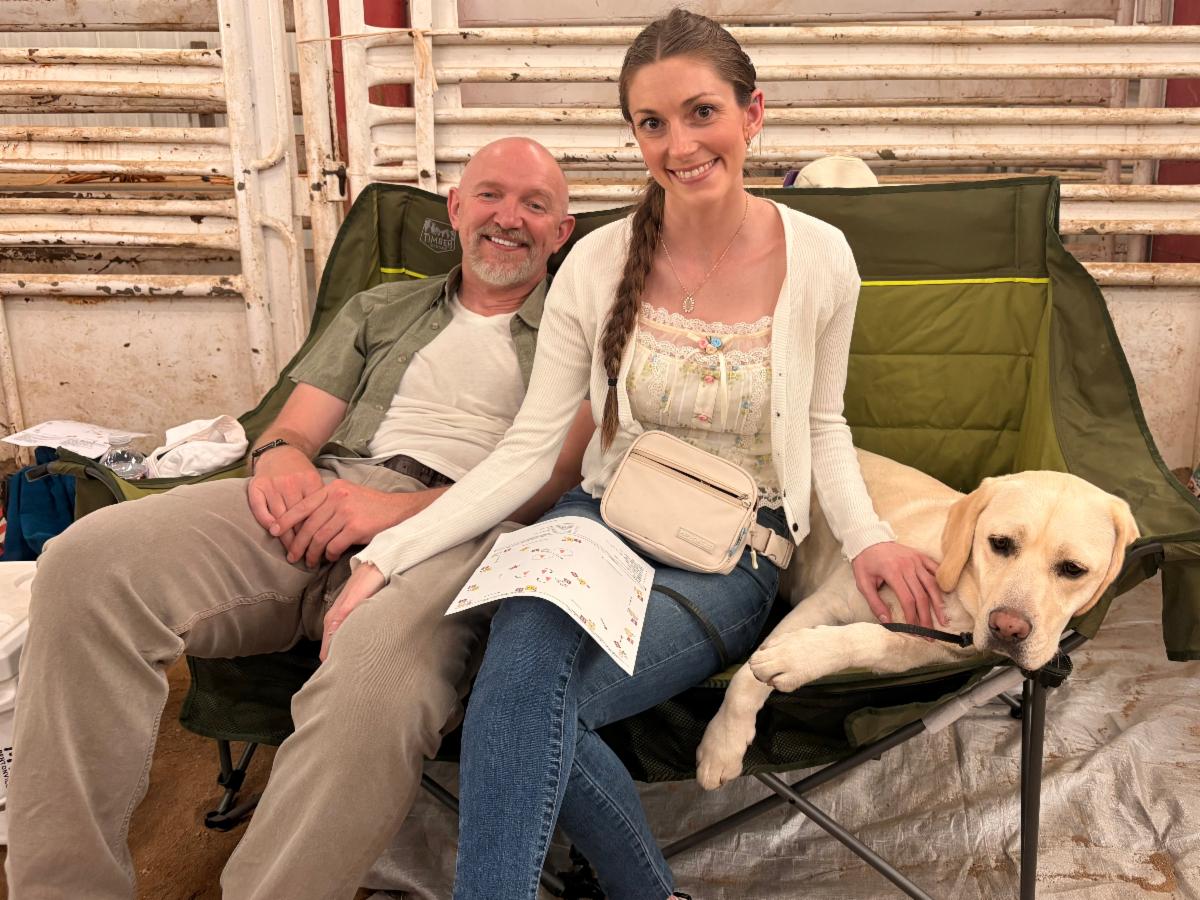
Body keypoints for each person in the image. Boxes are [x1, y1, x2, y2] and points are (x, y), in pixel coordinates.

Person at [321, 12, 946, 898]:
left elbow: (821, 424)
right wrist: (386, 555)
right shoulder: (597, 261)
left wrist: (870, 537)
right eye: (653, 123)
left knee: (528, 710)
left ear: (752, 113)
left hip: (732, 550)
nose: (679, 145)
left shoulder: (821, 259)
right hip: (598, 520)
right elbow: (529, 450)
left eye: (702, 113)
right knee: (519, 679)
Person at [5, 137, 592, 900]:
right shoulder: (379, 308)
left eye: (534, 205)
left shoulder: (581, 332)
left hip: (465, 526)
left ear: (561, 232)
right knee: (84, 564)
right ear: (455, 209)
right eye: (490, 195)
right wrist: (280, 455)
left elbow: (551, 480)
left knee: (379, 680)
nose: (508, 217)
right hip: (327, 492)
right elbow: (294, 428)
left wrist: (394, 513)